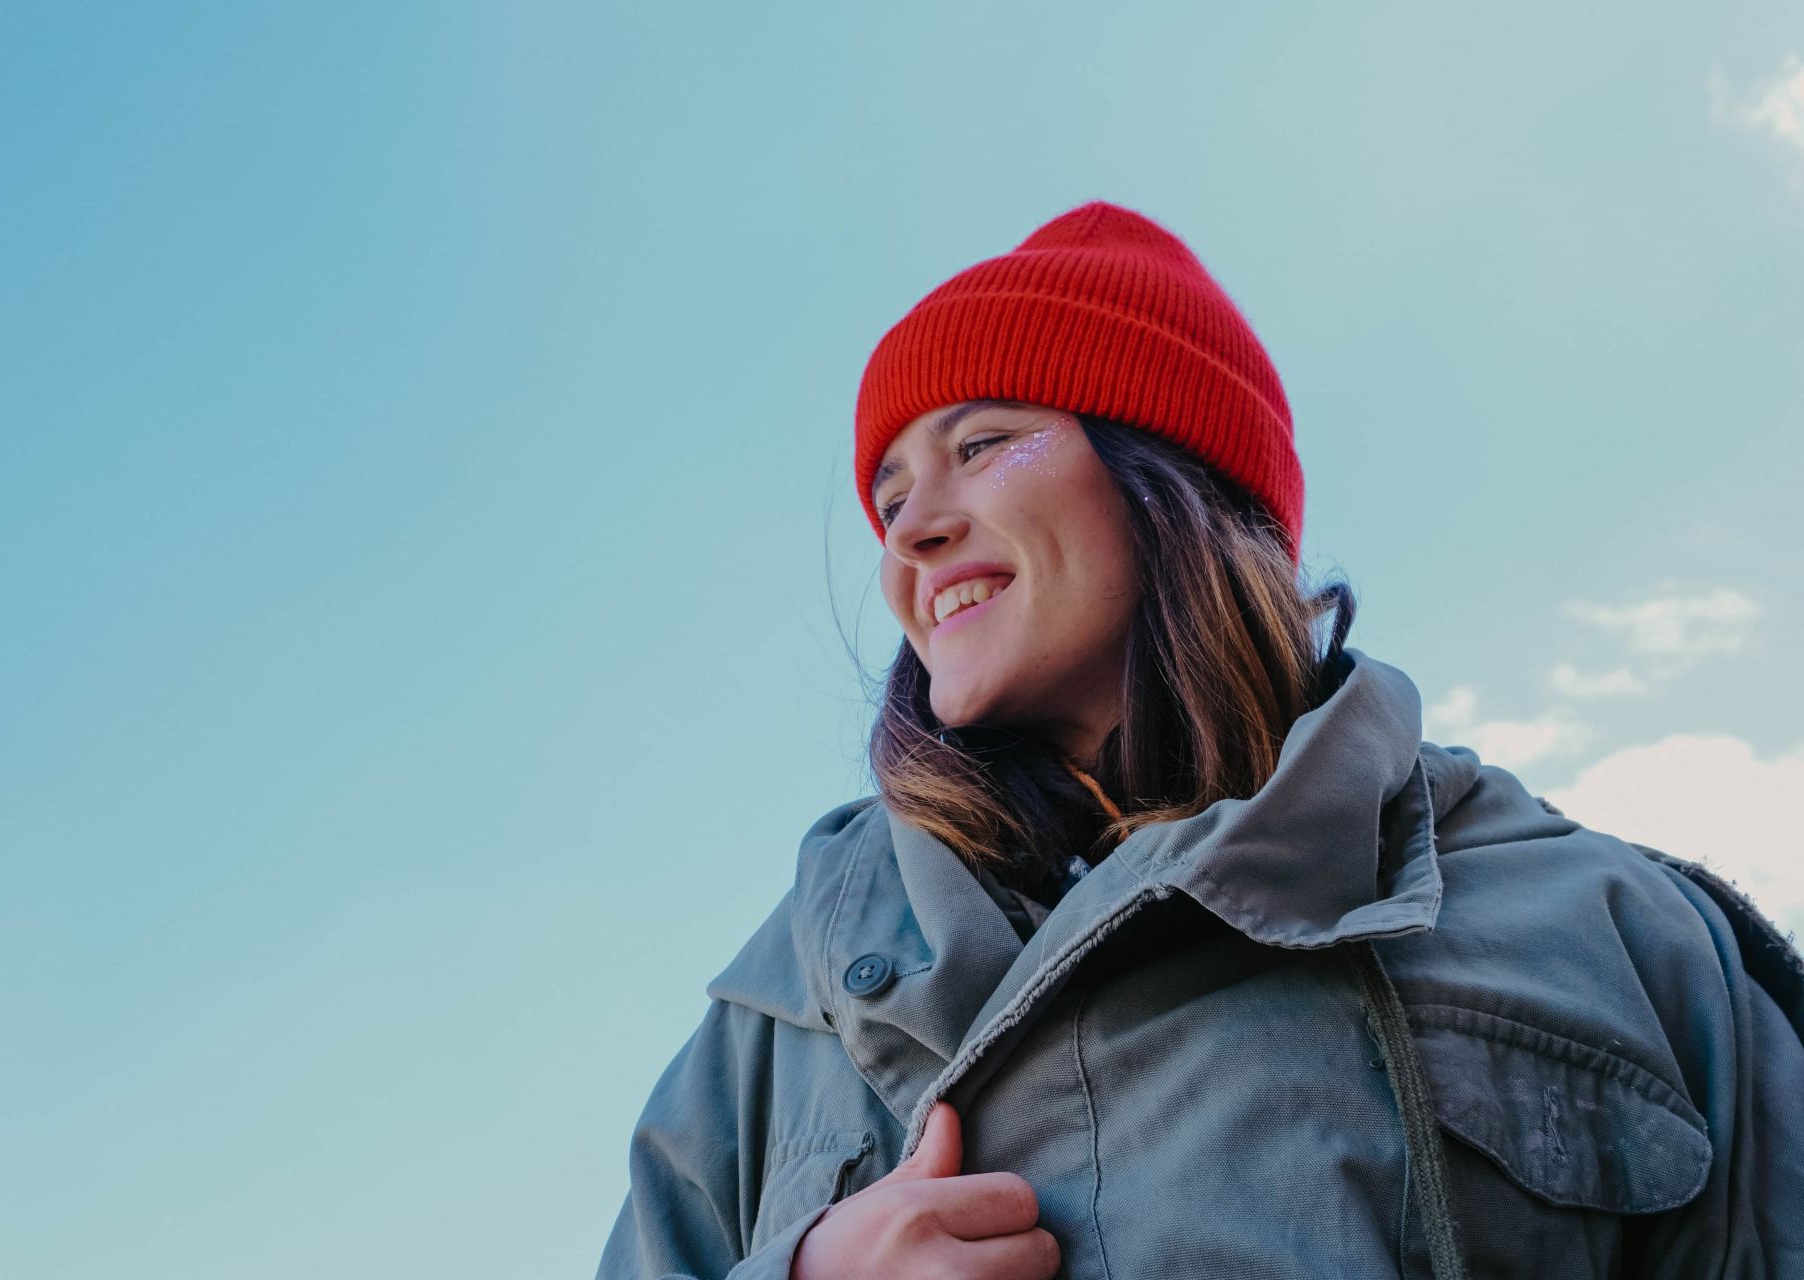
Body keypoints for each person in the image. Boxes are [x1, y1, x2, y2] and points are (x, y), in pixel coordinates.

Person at [593, 200, 1804, 1279]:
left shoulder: (1606, 923)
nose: (911, 531)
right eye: (893, 493)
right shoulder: (781, 1003)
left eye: (980, 444)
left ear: (1168, 474)